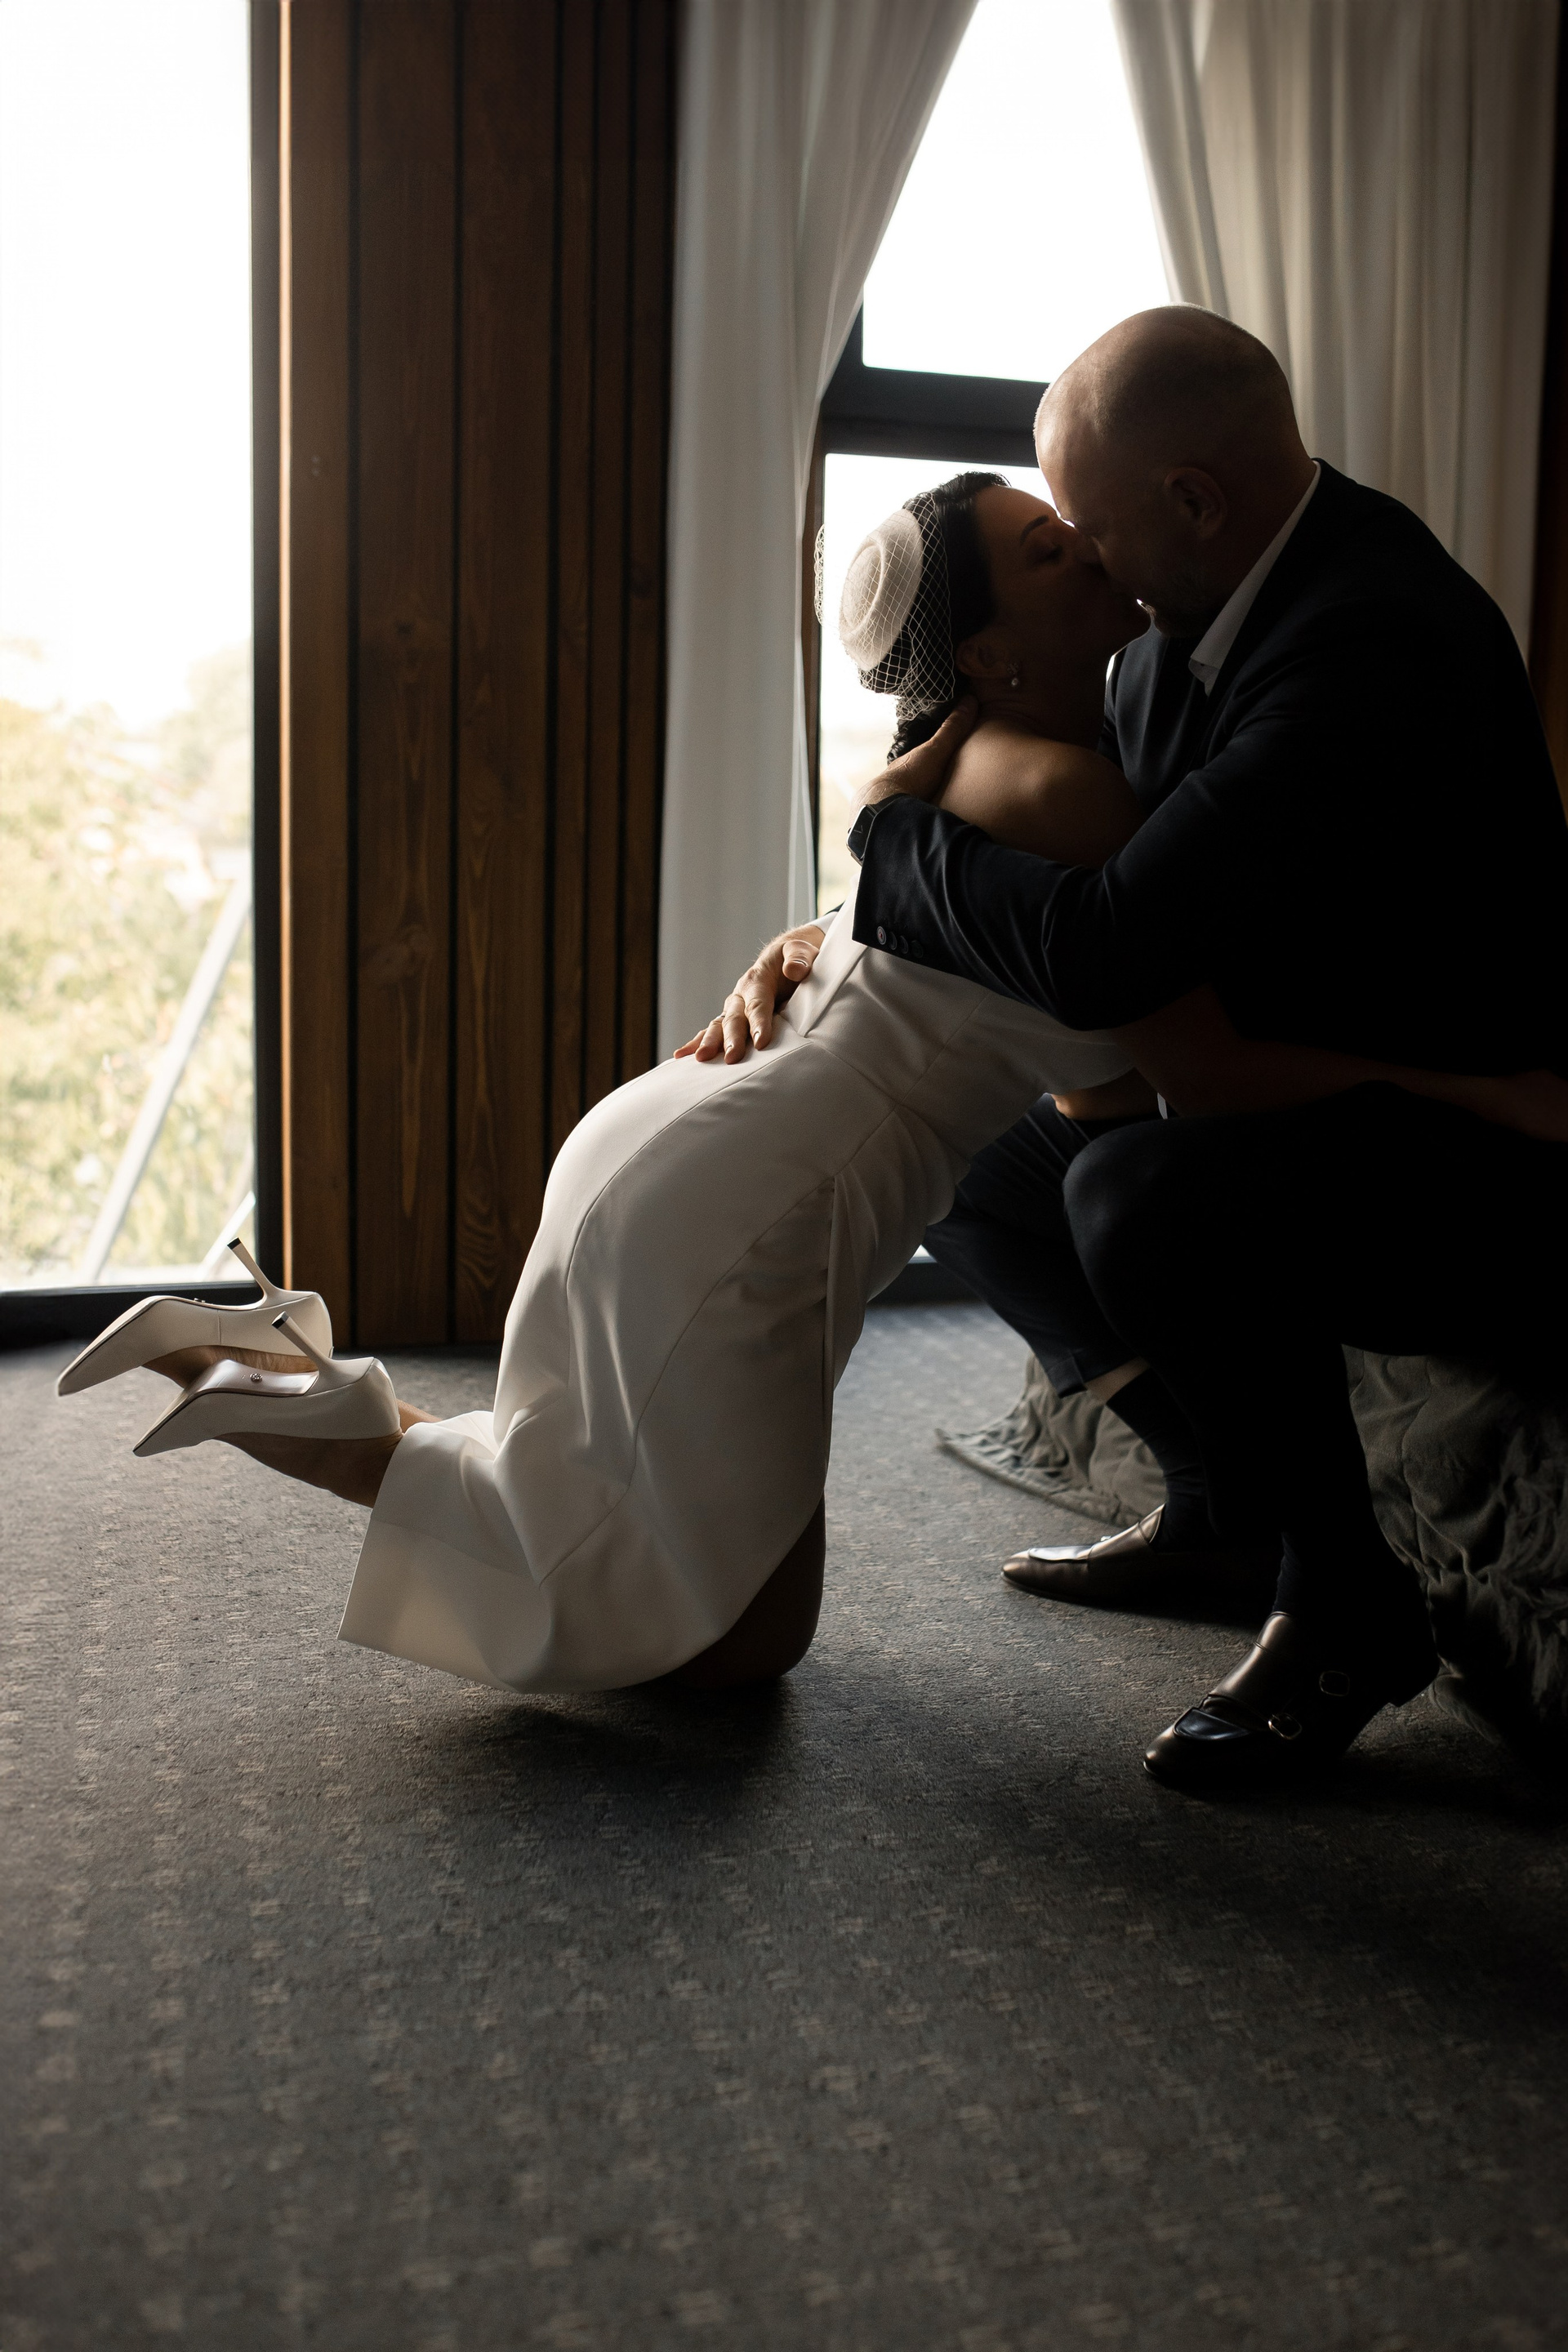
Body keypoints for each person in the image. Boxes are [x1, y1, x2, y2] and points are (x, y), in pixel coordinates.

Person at [65, 453, 1568, 1733]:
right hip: (754, 1199)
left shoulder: (964, 768)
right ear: (990, 655)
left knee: (594, 1494)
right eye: (1048, 548)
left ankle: (280, 1374)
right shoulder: (1072, 794)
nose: (1085, 543)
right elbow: (1198, 1071)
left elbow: (1091, 1085)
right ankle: (282, 1395)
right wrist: (1473, 1091)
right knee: (740, 1648)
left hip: (685, 1143)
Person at [706, 308, 1568, 1792]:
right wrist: (823, 930)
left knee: (1134, 1198)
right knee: (972, 1157)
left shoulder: (1374, 638)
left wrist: (889, 841)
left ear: (1194, 502)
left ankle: (1345, 1604)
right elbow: (1076, 872)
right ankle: (1223, 1504)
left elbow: (1110, 950)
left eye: (1090, 528)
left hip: (1494, 1150)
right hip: (1304, 1077)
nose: (1091, 564)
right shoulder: (1174, 637)